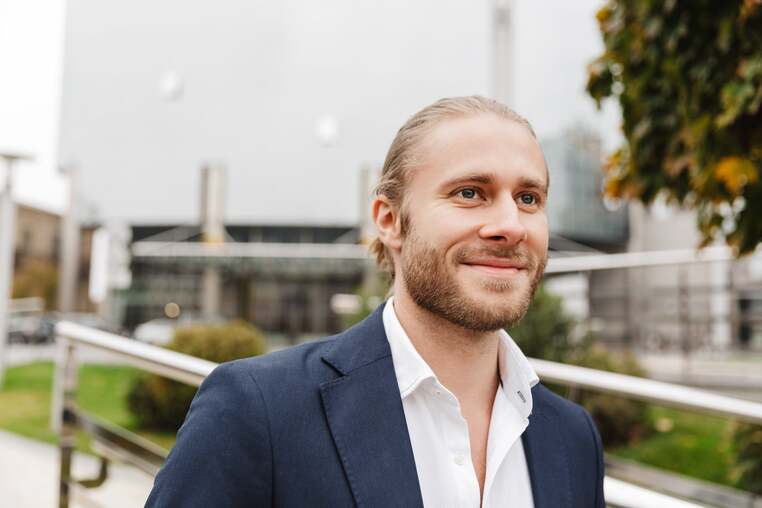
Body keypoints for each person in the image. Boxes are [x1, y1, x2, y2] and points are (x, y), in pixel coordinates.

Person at [145, 96, 605, 508]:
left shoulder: (573, 438)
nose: (511, 224)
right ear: (389, 220)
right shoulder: (256, 412)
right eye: (470, 193)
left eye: (528, 198)